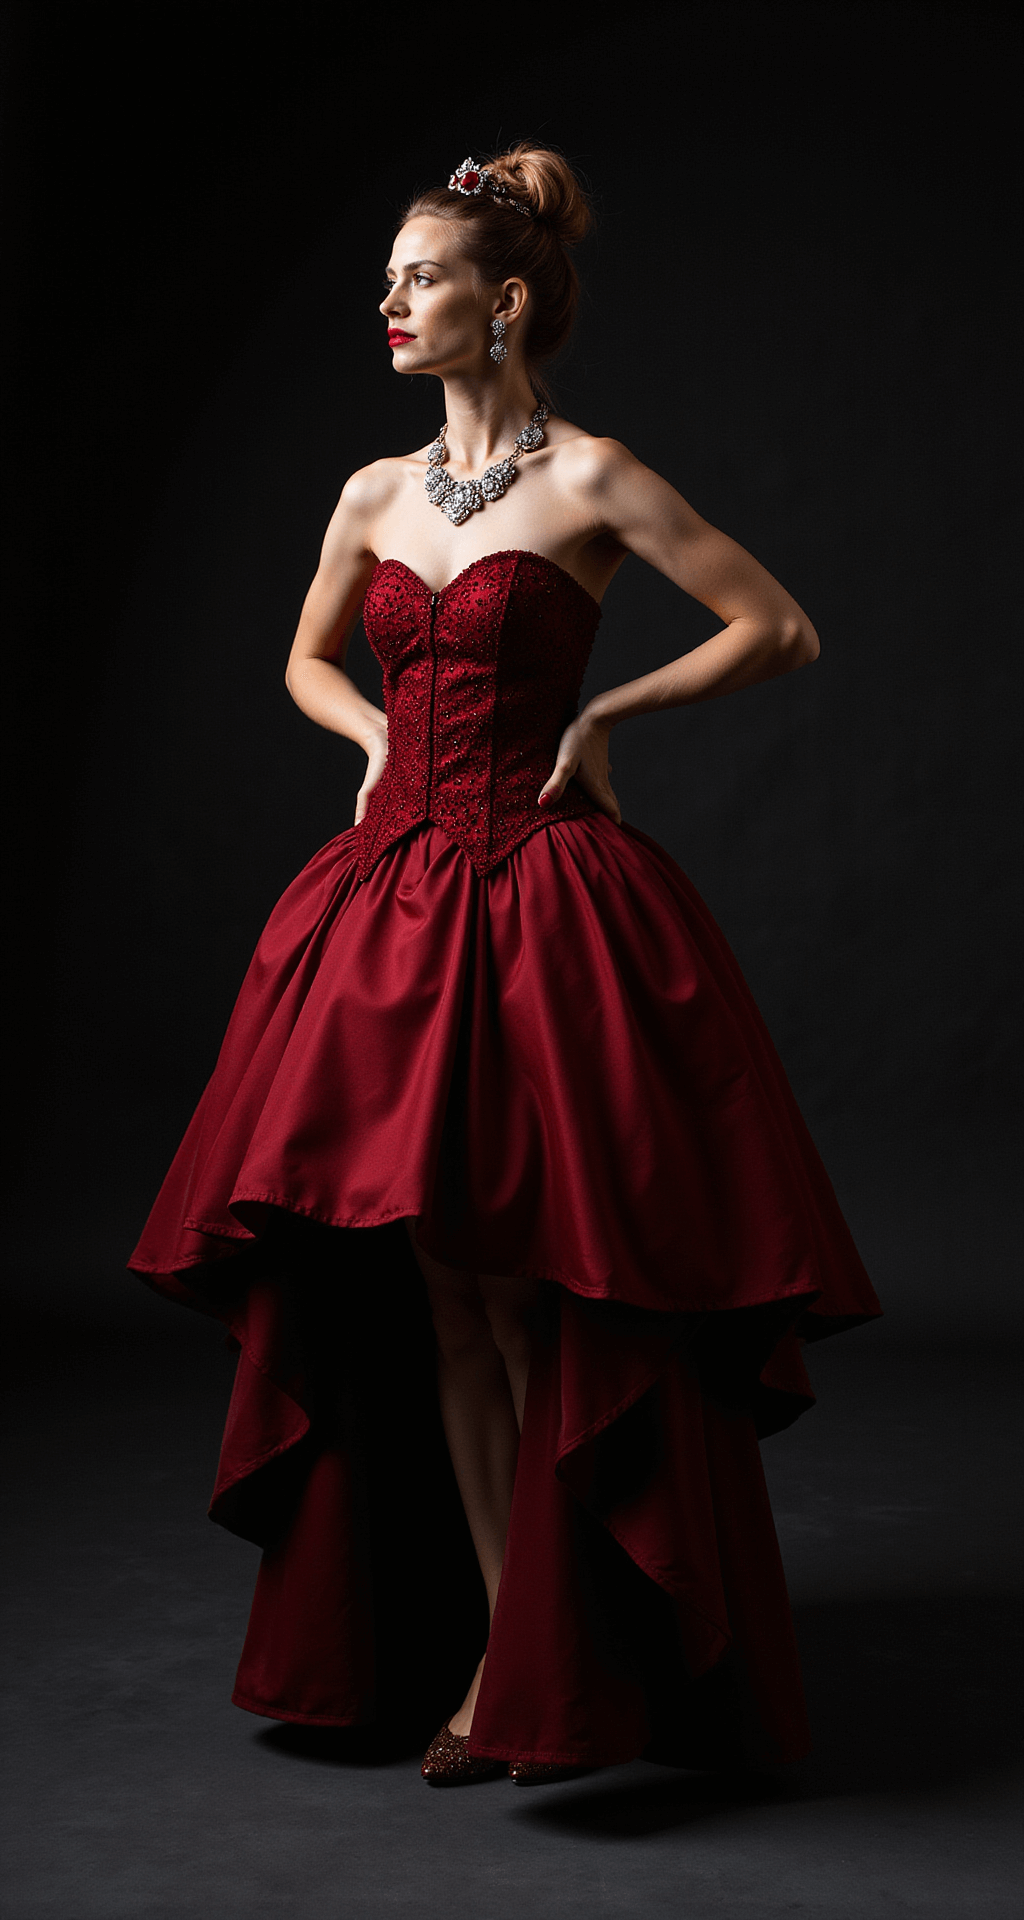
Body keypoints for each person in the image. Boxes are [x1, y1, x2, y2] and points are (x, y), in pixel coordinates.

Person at [129, 144, 881, 1790]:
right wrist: (365, 741)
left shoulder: (596, 478)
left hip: (546, 912)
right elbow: (306, 658)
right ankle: (496, 1648)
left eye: (421, 276)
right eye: (390, 279)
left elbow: (779, 627)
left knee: (542, 1293)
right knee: (444, 1296)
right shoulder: (371, 494)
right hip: (391, 914)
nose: (390, 302)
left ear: (508, 300)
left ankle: (569, 1651)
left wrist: (608, 715)